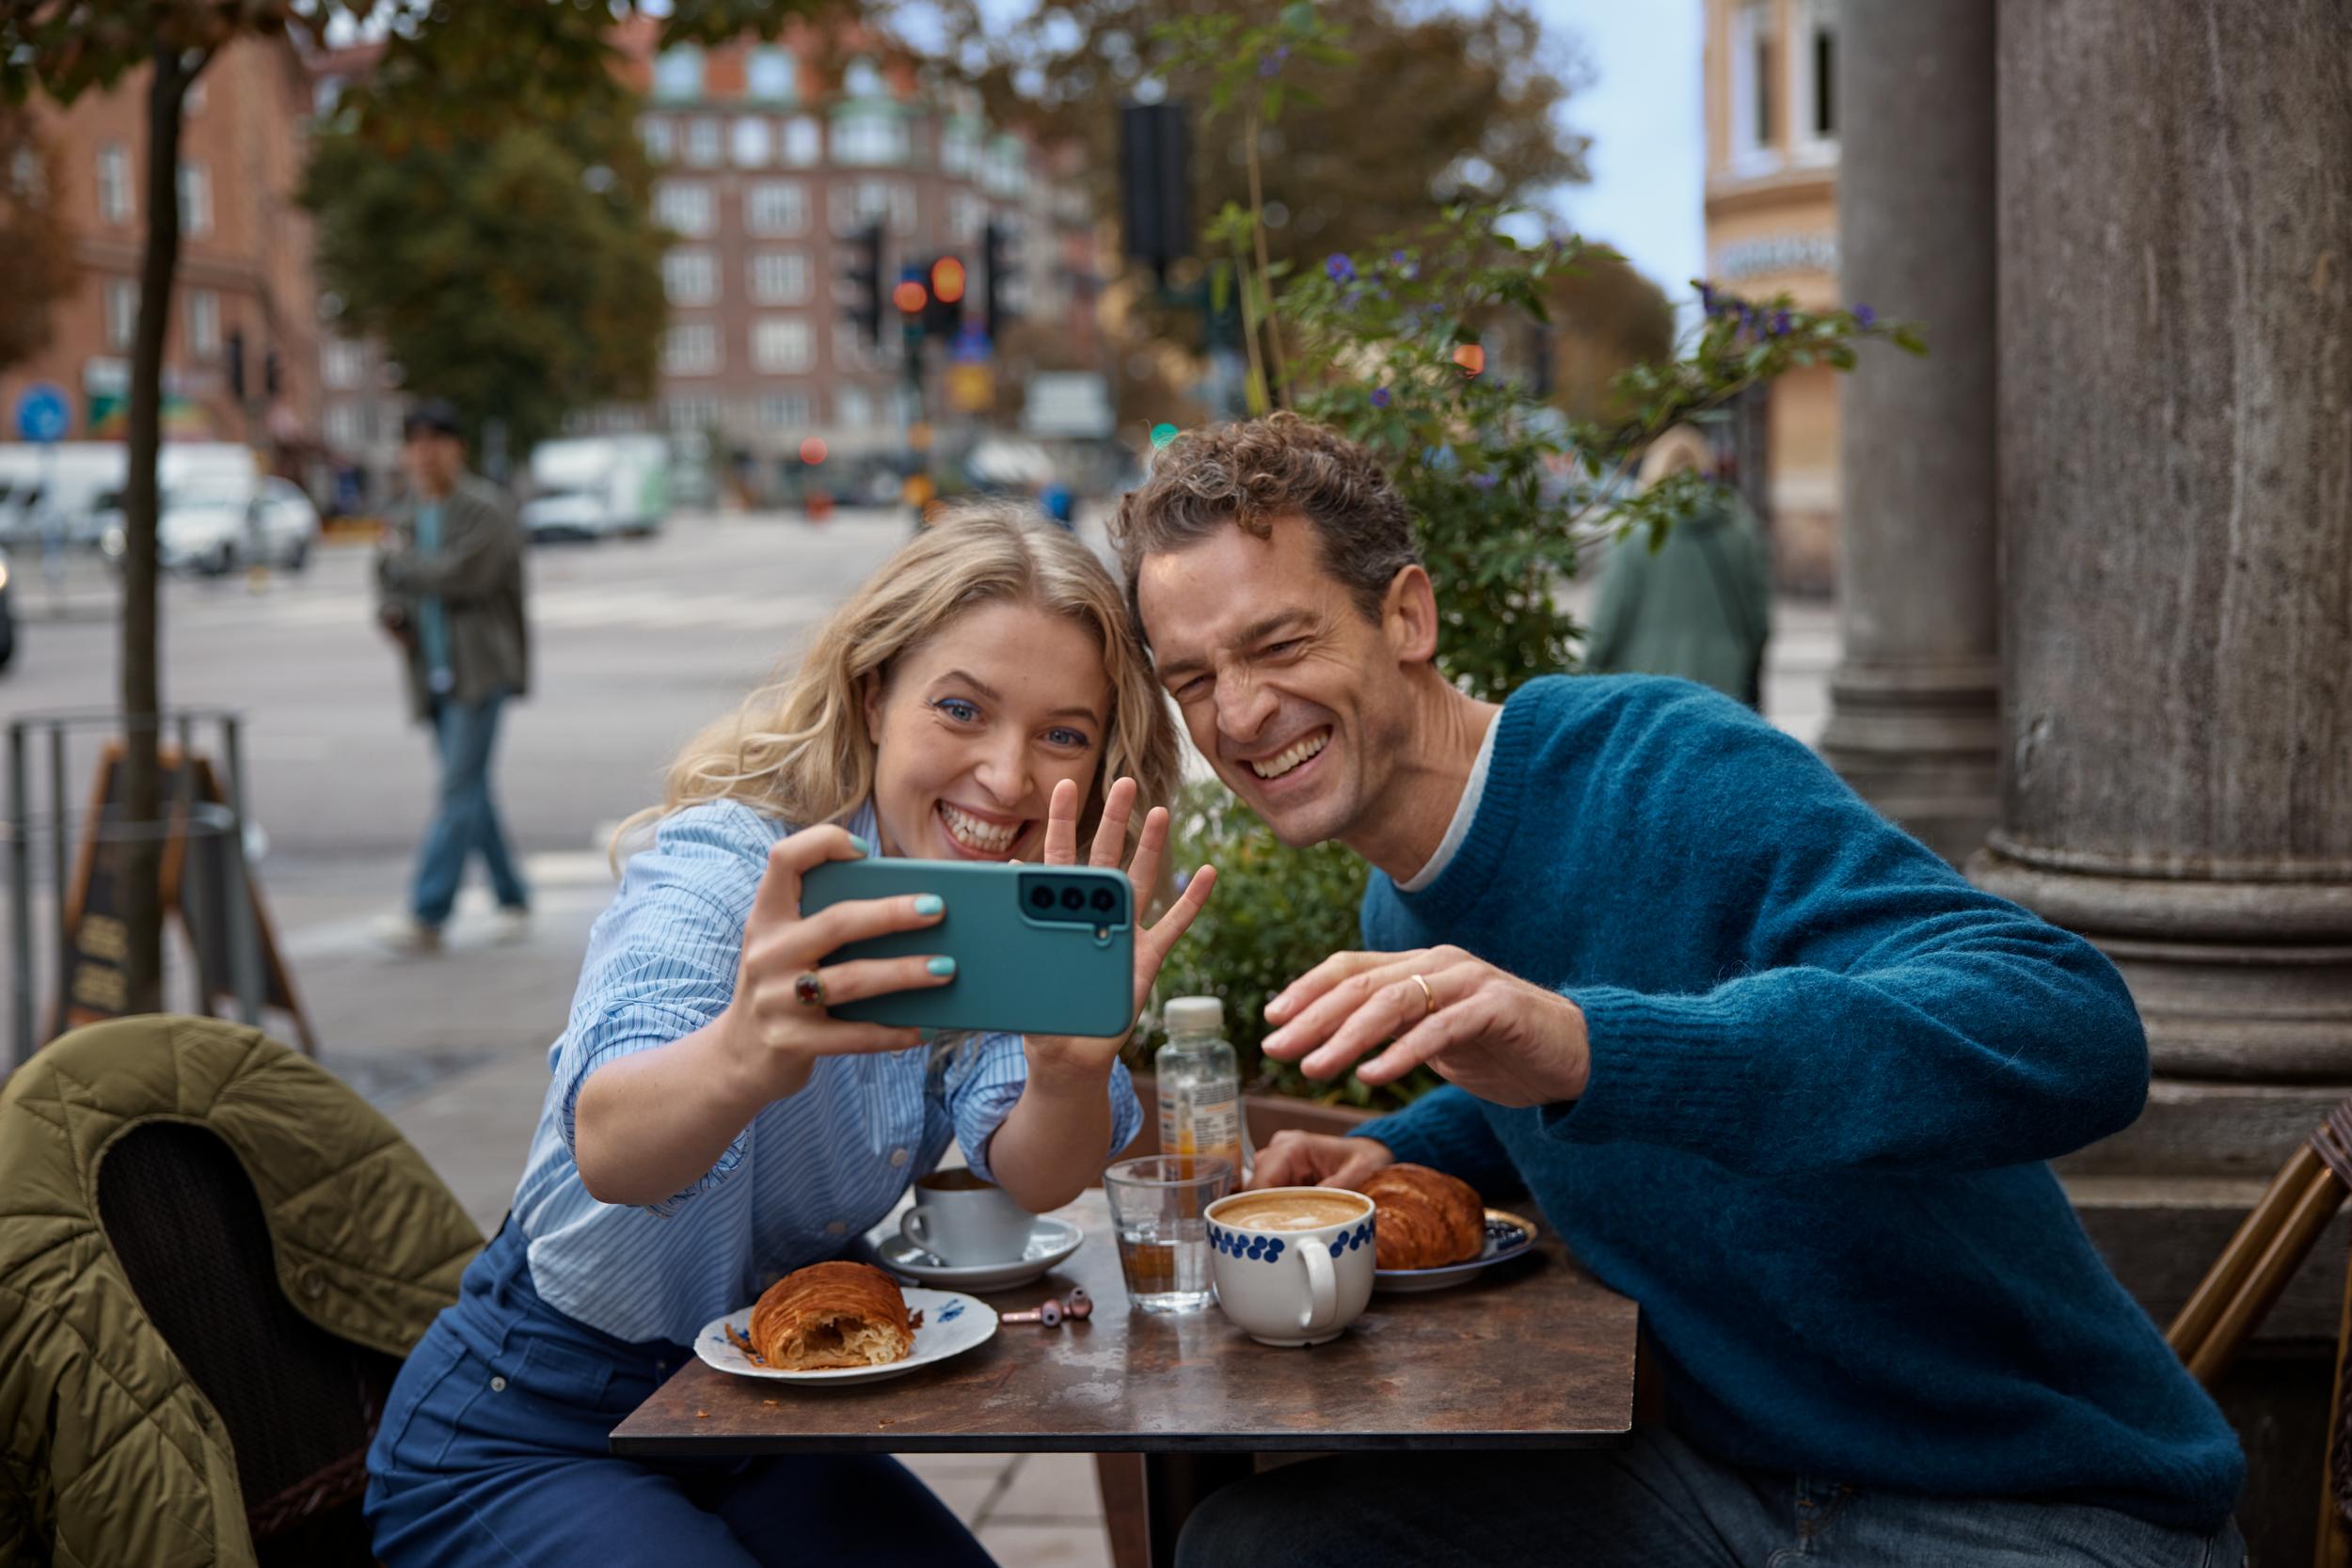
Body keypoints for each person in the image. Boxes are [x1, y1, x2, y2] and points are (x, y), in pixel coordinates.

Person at [1106, 414, 2244, 1567]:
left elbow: (2077, 1025)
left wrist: (1592, 1044)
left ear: (1407, 614)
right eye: (1194, 677)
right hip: (1722, 1485)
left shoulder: (1667, 766)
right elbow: (1554, 1081)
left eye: (1280, 644)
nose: (1238, 715)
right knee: (1247, 1545)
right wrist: (1416, 1146)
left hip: (2025, 1495)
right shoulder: (1399, 908)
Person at [364, 501, 1217, 1568]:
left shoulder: (997, 910)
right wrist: (745, 1049)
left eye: (1061, 733)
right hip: (527, 1423)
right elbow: (610, 1144)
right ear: (874, 696)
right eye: (961, 708)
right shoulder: (731, 865)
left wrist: (1066, 1067)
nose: (1005, 775)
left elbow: (1041, 1173)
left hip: (760, 1411)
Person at [374, 400, 532, 954]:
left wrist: (401, 565)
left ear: (456, 448)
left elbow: (461, 577)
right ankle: (513, 896)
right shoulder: (406, 513)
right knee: (470, 794)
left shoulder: (484, 511)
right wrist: (391, 607)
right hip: (430, 672)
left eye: (435, 443)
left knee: (457, 790)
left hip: (480, 669)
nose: (424, 455)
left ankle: (427, 912)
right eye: (415, 444)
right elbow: (387, 582)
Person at [1582, 424, 1772, 707]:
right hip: (1725, 690)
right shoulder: (1738, 527)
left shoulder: (1634, 534)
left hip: (1649, 693)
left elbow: (1607, 625)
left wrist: (1588, 680)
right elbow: (1759, 622)